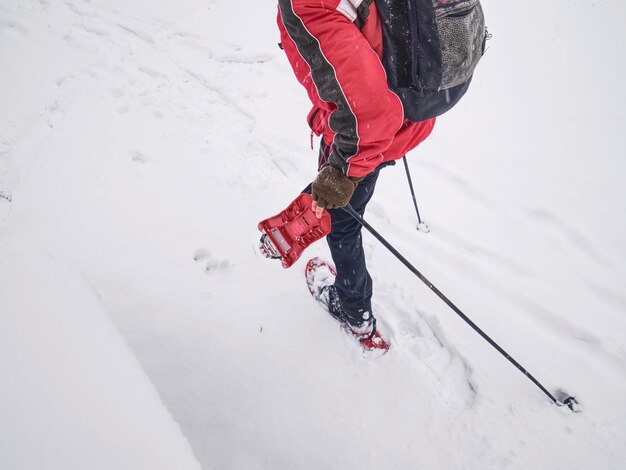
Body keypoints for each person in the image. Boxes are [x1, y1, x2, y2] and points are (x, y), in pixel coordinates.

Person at [277, 0, 435, 342]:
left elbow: (370, 116)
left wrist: (341, 174)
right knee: (345, 205)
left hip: (366, 137)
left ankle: (355, 313)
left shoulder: (307, 5)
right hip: (411, 111)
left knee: (342, 224)